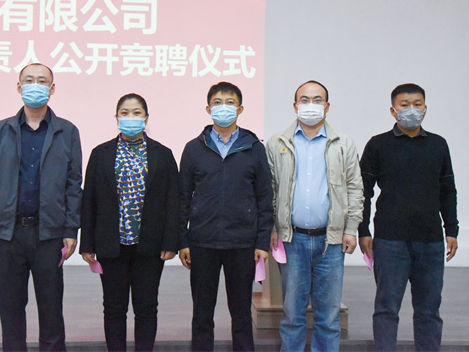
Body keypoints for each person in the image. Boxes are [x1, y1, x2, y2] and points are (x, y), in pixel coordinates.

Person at [0, 62, 82, 351]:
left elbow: (74, 184)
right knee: (10, 309)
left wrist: (71, 229)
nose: (36, 86)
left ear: (52, 88)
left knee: (51, 309)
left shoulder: (67, 131)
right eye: (30, 80)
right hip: (7, 233)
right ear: (19, 86)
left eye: (42, 81)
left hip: (49, 234)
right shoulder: (0, 131)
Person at [358, 83, 458, 352]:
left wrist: (452, 230)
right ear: (393, 110)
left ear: (425, 108)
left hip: (430, 240)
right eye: (404, 105)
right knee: (386, 308)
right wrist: (363, 231)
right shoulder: (378, 145)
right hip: (390, 240)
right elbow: (362, 192)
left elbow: (448, 190)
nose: (411, 110)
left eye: (417, 104)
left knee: (429, 310)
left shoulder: (438, 144)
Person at [266, 80, 364, 351]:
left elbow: (355, 188)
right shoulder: (277, 143)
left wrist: (351, 228)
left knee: (328, 317)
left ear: (327, 106)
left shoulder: (343, 144)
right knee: (292, 315)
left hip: (330, 241)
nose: (311, 105)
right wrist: (272, 227)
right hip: (292, 239)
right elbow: (269, 189)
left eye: (317, 100)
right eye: (305, 100)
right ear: (295, 105)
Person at [80, 93, 180, 352]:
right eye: (125, 113)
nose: (131, 118)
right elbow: (89, 201)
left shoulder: (163, 154)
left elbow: (173, 202)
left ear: (146, 117)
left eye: (137, 113)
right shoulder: (100, 154)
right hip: (111, 245)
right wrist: (87, 243)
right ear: (116, 117)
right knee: (114, 308)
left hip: (150, 246)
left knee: (146, 308)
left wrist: (171, 242)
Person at [178, 81, 274, 352]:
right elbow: (182, 199)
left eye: (230, 103)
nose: (224, 108)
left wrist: (262, 242)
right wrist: (182, 241)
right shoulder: (193, 148)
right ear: (208, 109)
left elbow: (265, 198)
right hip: (202, 242)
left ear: (240, 109)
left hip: (242, 243)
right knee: (202, 314)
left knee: (241, 315)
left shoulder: (254, 148)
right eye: (217, 102)